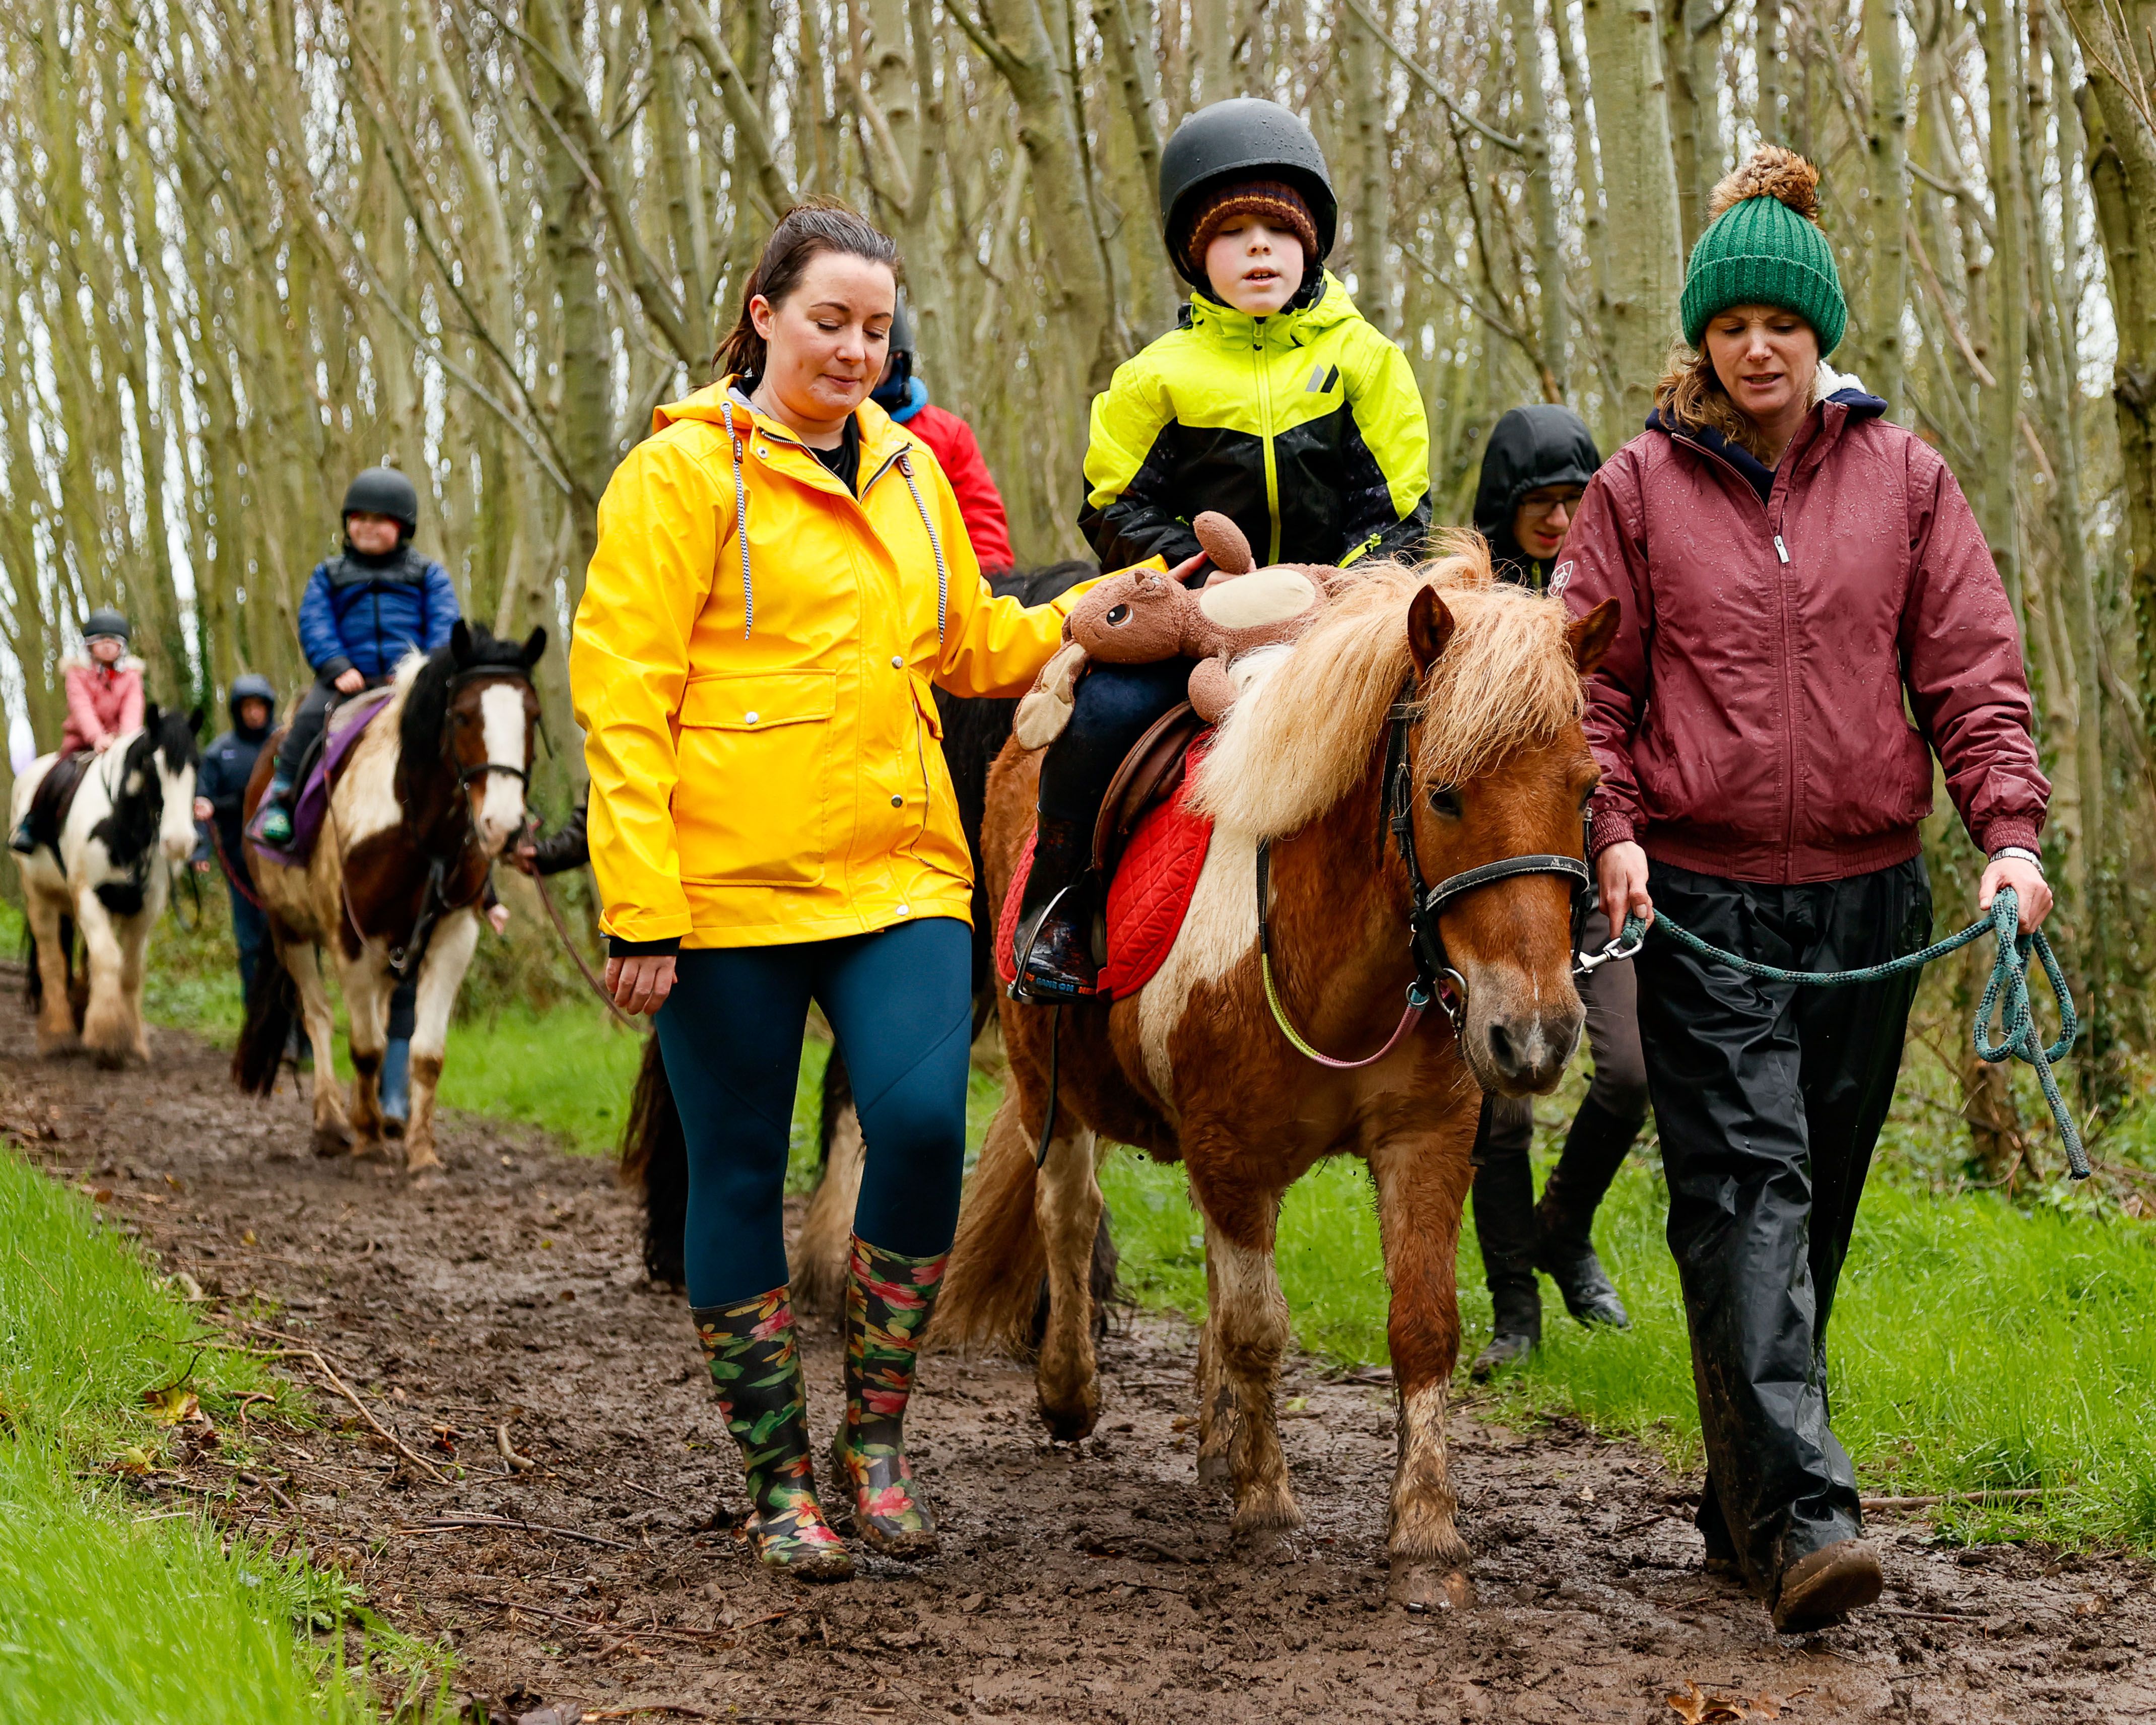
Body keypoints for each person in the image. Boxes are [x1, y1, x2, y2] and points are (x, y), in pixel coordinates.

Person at [571, 199, 1105, 1583]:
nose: (857, 349)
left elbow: (968, 639)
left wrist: (1093, 618)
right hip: (727, 889)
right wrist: (637, 907)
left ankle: (874, 1444)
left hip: (901, 867)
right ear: (763, 316)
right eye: (829, 322)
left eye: (877, 328)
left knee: (922, 1128)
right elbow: (624, 702)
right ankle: (778, 1482)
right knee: (741, 1171)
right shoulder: (677, 479)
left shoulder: (913, 474)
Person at [1562, 147, 2052, 1634]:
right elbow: (1582, 694)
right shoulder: (1633, 489)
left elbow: (1968, 671)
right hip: (1697, 899)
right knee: (1746, 1186)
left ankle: (1743, 1494)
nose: (1756, 346)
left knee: (1808, 1203)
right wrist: (1612, 828)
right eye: (1730, 326)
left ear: (1817, 328)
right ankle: (1810, 1519)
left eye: (1781, 321)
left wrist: (2010, 835)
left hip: (1865, 903)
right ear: (1699, 341)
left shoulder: (1905, 480)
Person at [1012, 96, 1432, 1001]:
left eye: (1276, 231)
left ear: (1310, 244)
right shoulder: (1156, 376)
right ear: (1194, 254)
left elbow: (1401, 514)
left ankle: (1445, 945)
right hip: (1197, 620)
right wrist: (1196, 593)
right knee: (1099, 716)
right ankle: (1058, 912)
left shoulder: (1368, 364)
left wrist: (1332, 594)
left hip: (1335, 623)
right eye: (1232, 232)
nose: (1257, 250)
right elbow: (1112, 503)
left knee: (1444, 743)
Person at [1464, 406, 1649, 1378]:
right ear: (1507, 501)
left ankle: (1564, 1228)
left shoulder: (1615, 591)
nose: (1557, 518)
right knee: (1501, 1106)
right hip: (1499, 883)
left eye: (1573, 500)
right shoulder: (1472, 605)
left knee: (1627, 1075)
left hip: (1590, 872)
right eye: (1540, 501)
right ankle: (1515, 1311)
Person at [253, 467, 460, 847]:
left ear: (403, 527)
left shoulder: (427, 574)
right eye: (359, 518)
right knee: (308, 720)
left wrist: (426, 673)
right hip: (348, 679)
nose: (367, 526)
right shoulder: (329, 574)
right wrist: (337, 666)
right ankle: (282, 799)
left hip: (410, 683)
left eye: (379, 520)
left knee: (459, 730)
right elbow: (315, 622)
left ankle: (474, 817)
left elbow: (445, 624)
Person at [870, 298, 1016, 572]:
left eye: (876, 348)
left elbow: (983, 526)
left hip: (937, 587)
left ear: (897, 358)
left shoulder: (947, 434)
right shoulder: (810, 427)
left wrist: (982, 585)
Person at [11, 609, 146, 854]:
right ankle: (32, 824)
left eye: (113, 642)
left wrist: (126, 740)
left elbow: (133, 707)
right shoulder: (76, 674)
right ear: (90, 646)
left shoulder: (132, 677)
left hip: (121, 744)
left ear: (122, 647)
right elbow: (81, 706)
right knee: (55, 775)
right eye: (101, 641)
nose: (107, 647)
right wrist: (97, 738)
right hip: (81, 745)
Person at [192, 674, 279, 1000]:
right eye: (247, 707)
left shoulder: (286, 742)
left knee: (288, 943)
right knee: (249, 944)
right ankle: (254, 1012)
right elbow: (201, 805)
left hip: (282, 861)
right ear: (237, 710)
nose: (254, 713)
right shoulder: (219, 752)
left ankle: (296, 1026)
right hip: (237, 863)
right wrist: (200, 851)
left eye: (260, 706)